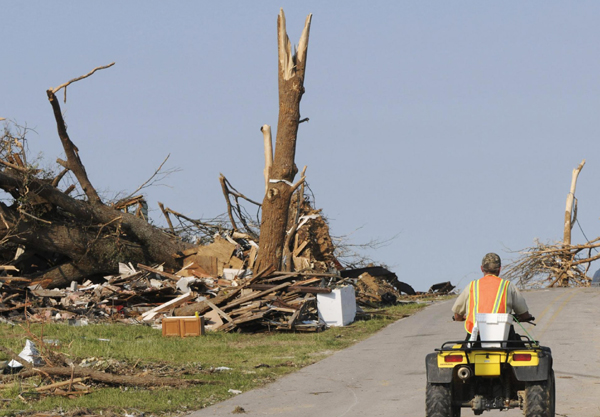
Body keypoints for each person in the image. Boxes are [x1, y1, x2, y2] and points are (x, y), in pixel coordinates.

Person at [452, 253, 533, 336]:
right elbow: (523, 314)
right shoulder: (507, 285)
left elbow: (457, 315)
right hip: (502, 335)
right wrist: (526, 317)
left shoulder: (472, 286)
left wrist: (461, 318)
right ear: (499, 269)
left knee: (466, 347)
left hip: (476, 336)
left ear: (481, 268)